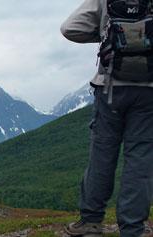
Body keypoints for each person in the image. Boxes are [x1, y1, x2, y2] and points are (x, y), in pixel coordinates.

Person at [60, 0, 153, 236]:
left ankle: (91, 221)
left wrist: (104, 34)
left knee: (102, 154)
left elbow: (69, 28)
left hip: (110, 87)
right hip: (148, 91)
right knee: (140, 159)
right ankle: (132, 228)